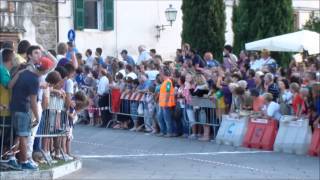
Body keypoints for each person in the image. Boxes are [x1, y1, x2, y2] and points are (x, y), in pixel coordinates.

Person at [10, 56, 54, 170]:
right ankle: (24, 161)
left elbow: (10, 86)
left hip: (14, 107)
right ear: (45, 70)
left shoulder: (23, 74)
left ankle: (11, 157)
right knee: (24, 136)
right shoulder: (35, 80)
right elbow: (33, 102)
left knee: (20, 135)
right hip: (24, 109)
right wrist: (38, 116)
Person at [158, 67, 176, 137]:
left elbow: (168, 92)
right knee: (161, 117)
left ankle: (169, 132)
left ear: (163, 74)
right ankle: (163, 131)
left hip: (166, 104)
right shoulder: (165, 82)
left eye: (160, 74)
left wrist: (165, 102)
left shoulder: (168, 82)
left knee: (167, 119)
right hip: (162, 103)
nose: (160, 75)